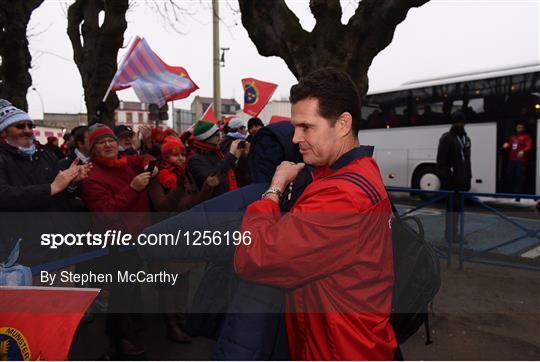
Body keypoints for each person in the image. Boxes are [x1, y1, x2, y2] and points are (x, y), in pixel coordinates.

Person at [234, 68, 396, 360]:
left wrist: (274, 190)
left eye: (306, 127)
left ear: (343, 124)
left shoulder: (343, 196)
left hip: (340, 350)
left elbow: (253, 257)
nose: (296, 138)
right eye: (295, 127)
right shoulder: (349, 172)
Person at [81, 123, 156, 359]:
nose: (108, 144)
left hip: (138, 237)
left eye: (110, 140)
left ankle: (128, 333)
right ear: (93, 149)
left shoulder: (126, 161)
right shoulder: (91, 176)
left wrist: (147, 165)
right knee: (121, 292)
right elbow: (105, 213)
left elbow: (145, 156)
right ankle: (119, 343)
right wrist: (132, 189)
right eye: (101, 142)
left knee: (131, 288)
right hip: (118, 242)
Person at [0, 99, 89, 264]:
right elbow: (4, 196)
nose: (27, 131)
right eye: (20, 126)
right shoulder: (3, 159)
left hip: (62, 245)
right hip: (26, 253)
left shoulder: (45, 154)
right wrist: (50, 188)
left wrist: (72, 183)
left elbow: (62, 195)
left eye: (30, 125)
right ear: (4, 132)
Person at [436, 111, 472, 243]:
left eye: (462, 122)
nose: (460, 124)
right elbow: (441, 162)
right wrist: (446, 180)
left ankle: (454, 234)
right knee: (451, 210)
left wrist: (468, 178)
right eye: (457, 122)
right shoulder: (446, 138)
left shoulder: (466, 139)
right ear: (453, 123)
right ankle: (450, 235)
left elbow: (467, 161)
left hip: (462, 181)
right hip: (451, 183)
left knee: (458, 211)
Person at [188, 120, 243, 198]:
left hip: (230, 196)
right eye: (217, 135)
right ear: (206, 138)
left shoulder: (217, 152)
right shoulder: (194, 160)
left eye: (219, 134)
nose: (220, 137)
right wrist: (231, 155)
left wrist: (242, 157)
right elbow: (212, 178)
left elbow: (232, 172)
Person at [503, 122, 532, 196]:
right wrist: (506, 145)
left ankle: (518, 194)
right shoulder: (513, 137)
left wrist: (523, 151)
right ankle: (512, 192)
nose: (519, 129)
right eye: (518, 127)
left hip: (520, 161)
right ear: (516, 128)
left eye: (521, 127)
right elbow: (509, 145)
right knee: (509, 175)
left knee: (519, 176)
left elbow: (529, 146)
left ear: (523, 129)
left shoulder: (526, 137)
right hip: (512, 160)